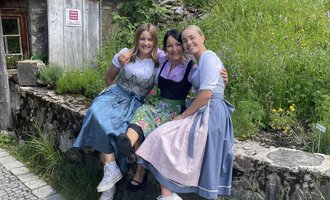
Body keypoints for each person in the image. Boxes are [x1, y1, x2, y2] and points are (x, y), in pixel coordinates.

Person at [116, 29, 229, 193]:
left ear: (183, 48)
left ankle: (138, 168)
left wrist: (223, 77)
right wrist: (129, 51)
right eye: (169, 46)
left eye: (177, 45)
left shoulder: (192, 69)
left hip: (174, 109)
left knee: (154, 131)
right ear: (165, 48)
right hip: (156, 104)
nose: (174, 49)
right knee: (141, 115)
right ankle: (127, 144)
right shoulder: (162, 59)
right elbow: (146, 47)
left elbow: (208, 81)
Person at [73, 23, 159, 200]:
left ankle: (109, 187)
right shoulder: (124, 55)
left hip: (135, 103)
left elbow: (178, 58)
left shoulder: (159, 62)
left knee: (117, 133)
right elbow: (109, 77)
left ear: (155, 41)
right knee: (95, 113)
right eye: (142, 38)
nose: (146, 42)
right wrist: (114, 99)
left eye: (150, 39)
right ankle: (111, 168)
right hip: (115, 94)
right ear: (137, 39)